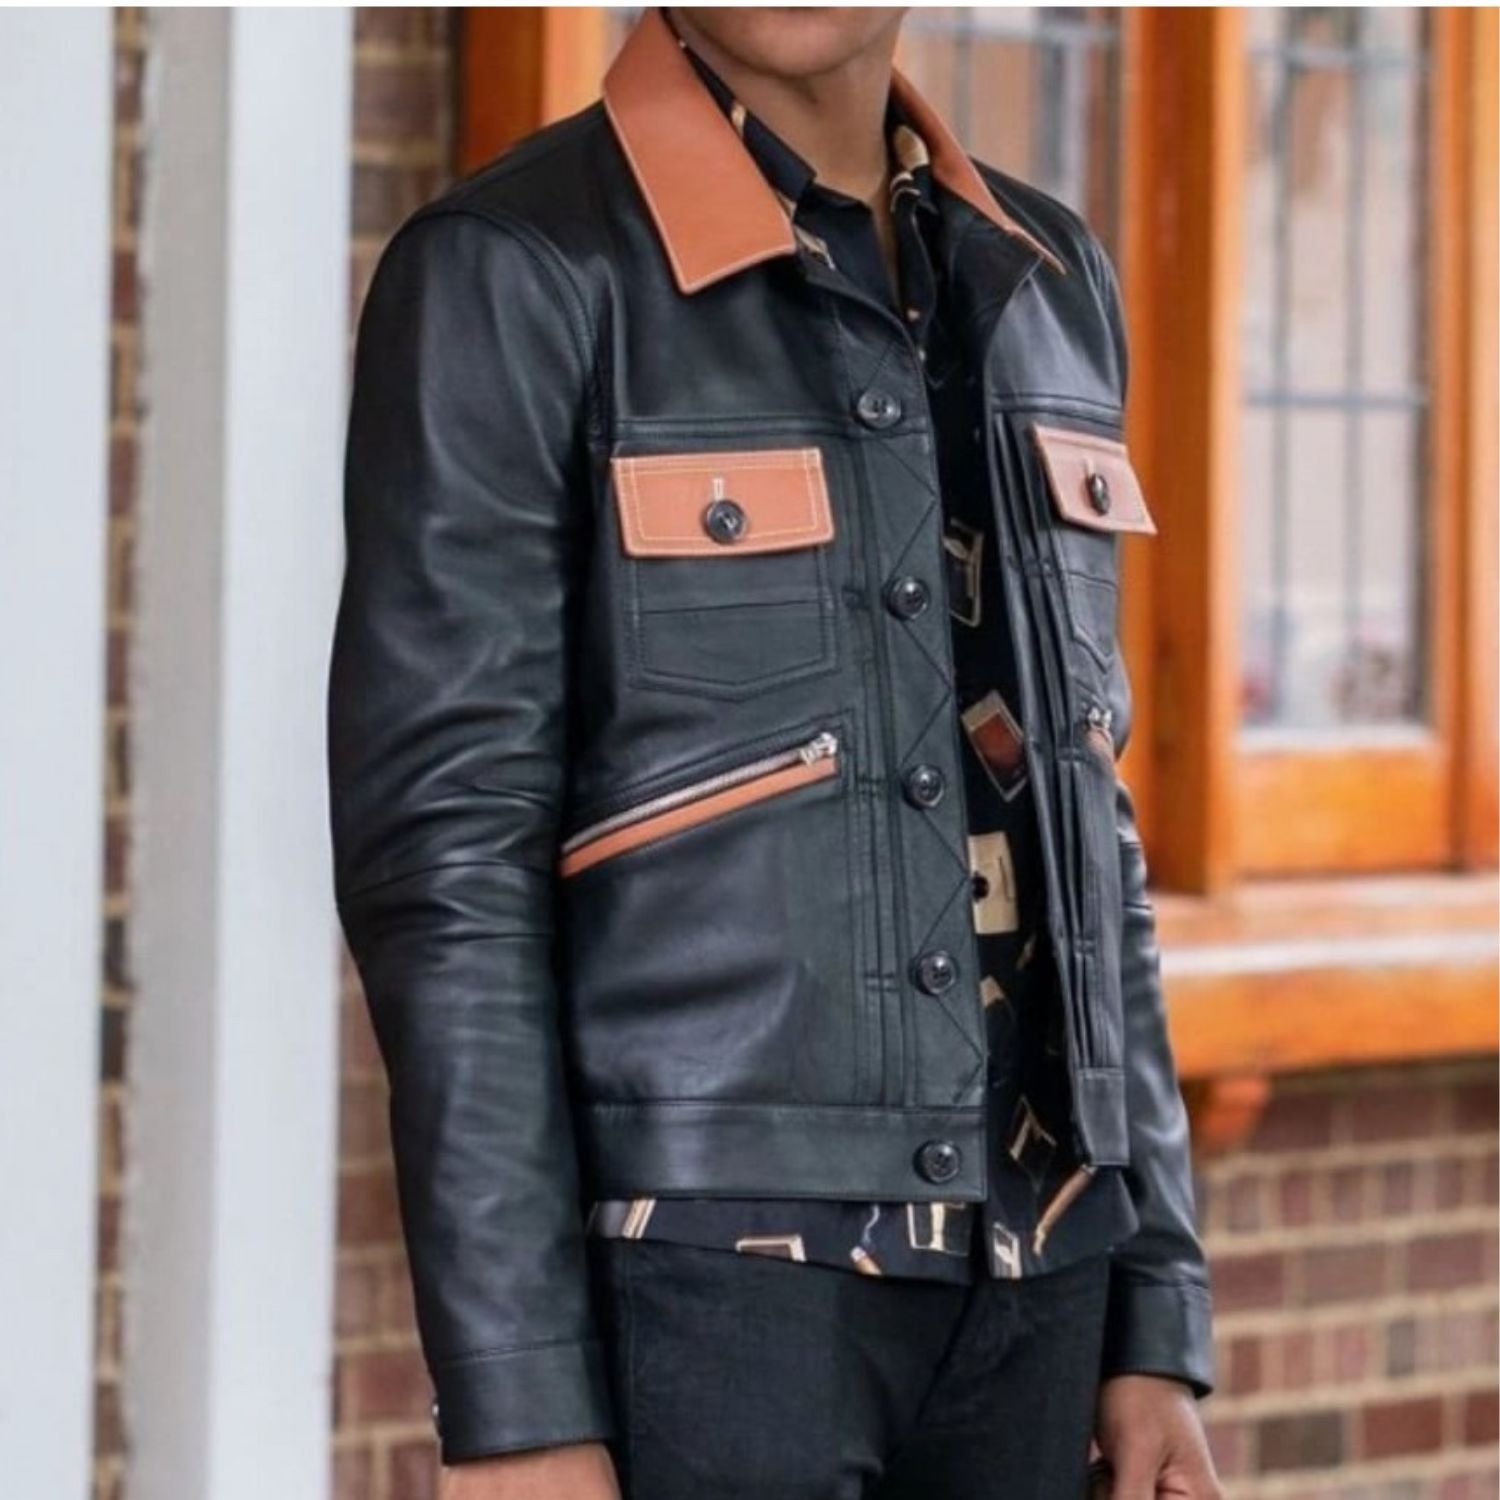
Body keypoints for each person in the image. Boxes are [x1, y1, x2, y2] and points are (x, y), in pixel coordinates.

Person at [327, 8, 1222, 1498]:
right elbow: (448, 870)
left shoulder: (1050, 279)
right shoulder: (516, 270)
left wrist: (1154, 1311)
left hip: (1045, 1296)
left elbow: (1088, 825)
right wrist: (518, 1403)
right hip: (706, 1293)